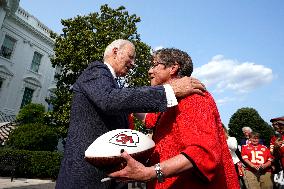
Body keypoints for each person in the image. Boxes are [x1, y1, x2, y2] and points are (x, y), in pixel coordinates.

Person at [55, 40, 206, 189]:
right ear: (115, 51)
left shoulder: (113, 87)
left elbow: (142, 114)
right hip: (86, 177)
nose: (133, 63)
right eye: (131, 56)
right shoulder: (96, 70)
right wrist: (169, 91)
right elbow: (110, 100)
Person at [109, 48, 240, 189]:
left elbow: (202, 153)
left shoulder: (193, 97)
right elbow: (149, 119)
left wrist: (149, 173)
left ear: (173, 68)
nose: (149, 71)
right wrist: (118, 99)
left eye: (154, 65)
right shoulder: (170, 102)